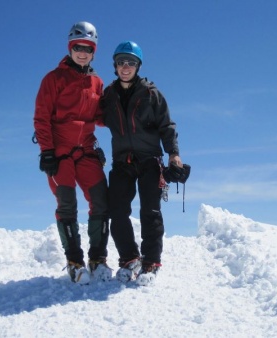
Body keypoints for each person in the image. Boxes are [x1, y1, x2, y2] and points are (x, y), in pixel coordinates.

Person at [100, 41, 188, 285]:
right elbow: (92, 118)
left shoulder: (151, 93)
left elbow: (167, 125)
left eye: (131, 62)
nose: (125, 67)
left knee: (150, 211)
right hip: (122, 162)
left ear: (138, 66)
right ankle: (129, 259)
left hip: (150, 160)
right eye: (121, 62)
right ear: (115, 66)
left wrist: (173, 153)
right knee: (116, 211)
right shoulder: (108, 95)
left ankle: (151, 261)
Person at [34, 21, 111, 284]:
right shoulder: (53, 79)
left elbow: (101, 116)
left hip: (87, 151)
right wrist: (47, 151)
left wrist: (124, 109)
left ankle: (98, 259)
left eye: (88, 48)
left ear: (93, 51)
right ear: (70, 48)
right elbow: (41, 118)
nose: (82, 51)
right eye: (77, 47)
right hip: (60, 154)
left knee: (102, 201)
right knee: (67, 206)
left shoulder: (96, 82)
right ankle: (75, 261)